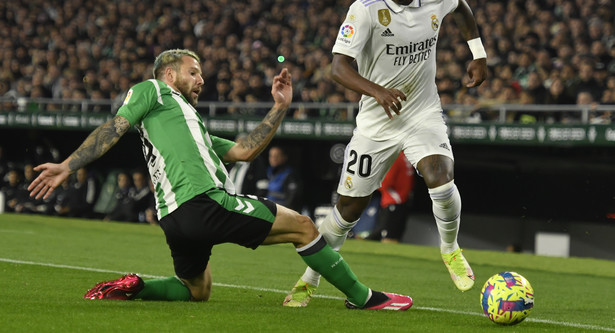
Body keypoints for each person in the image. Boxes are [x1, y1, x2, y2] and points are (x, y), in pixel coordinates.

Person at [28, 49, 412, 310]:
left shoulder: (191, 125)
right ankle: (364, 298)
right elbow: (115, 126)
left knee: (199, 290)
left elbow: (245, 150)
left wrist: (279, 108)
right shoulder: (154, 92)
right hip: (202, 202)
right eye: (193, 72)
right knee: (303, 226)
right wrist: (68, 165)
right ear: (169, 73)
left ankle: (136, 286)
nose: (201, 80)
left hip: (175, 220)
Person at [283, 0, 487, 307]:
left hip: (422, 112)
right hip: (377, 124)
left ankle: (450, 249)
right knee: (347, 212)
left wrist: (478, 54)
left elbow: (463, 9)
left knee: (440, 176)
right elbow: (338, 68)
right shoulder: (363, 11)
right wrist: (375, 90)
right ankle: (310, 277)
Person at [365, 152, 415, 243]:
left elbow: (386, 182)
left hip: (393, 200)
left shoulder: (393, 157)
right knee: (392, 235)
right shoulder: (404, 156)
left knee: (388, 238)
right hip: (402, 200)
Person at [264, 146, 303, 213]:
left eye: (277, 156)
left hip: (282, 213)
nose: (274, 159)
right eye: (271, 156)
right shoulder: (267, 172)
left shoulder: (290, 174)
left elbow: (292, 201)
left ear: (284, 157)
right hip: (268, 211)